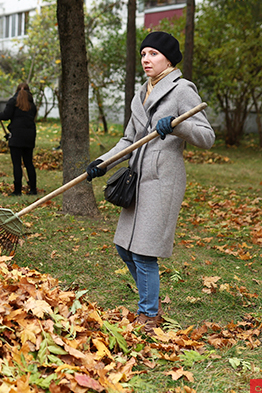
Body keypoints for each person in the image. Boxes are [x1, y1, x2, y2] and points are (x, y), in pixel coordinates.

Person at [86, 31, 214, 333]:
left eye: (153, 54)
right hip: (136, 180)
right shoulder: (141, 93)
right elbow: (128, 140)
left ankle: (149, 315)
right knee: (124, 248)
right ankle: (151, 301)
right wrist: (102, 163)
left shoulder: (181, 90)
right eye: (143, 54)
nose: (146, 59)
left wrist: (177, 128)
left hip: (162, 181)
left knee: (144, 251)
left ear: (168, 58)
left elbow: (207, 137)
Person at [0, 82, 37, 196]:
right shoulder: (32, 104)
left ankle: (17, 190)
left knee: (17, 164)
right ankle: (33, 189)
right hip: (29, 136)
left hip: (17, 136)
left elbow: (6, 115)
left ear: (17, 90)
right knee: (29, 163)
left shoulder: (13, 102)